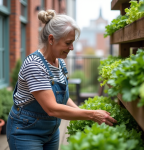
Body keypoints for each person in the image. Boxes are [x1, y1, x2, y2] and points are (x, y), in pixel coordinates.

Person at [6, 10, 117, 150]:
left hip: (51, 131)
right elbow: (52, 108)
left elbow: (62, 98)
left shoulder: (60, 63)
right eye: (68, 43)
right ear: (51, 39)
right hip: (26, 131)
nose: (72, 48)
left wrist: (78, 111)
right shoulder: (35, 65)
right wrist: (92, 114)